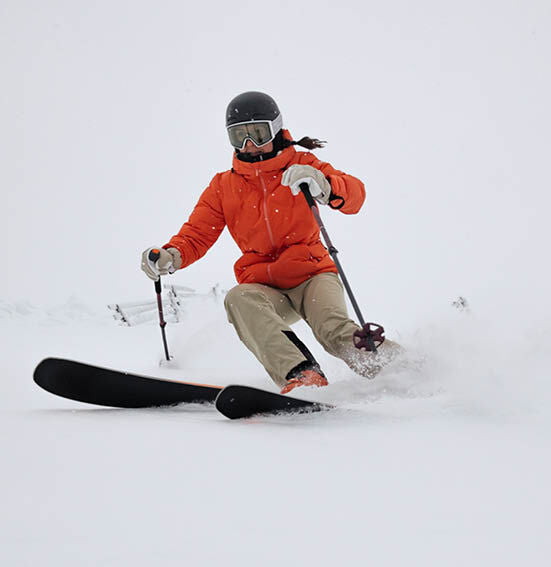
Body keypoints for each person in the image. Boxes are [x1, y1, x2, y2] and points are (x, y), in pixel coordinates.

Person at [141, 91, 400, 393]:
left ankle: (400, 367)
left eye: (257, 133)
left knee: (332, 329)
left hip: (313, 275)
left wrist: (324, 185)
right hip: (265, 286)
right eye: (239, 136)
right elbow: (197, 234)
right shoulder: (224, 186)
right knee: (239, 298)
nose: (249, 144)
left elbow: (356, 195)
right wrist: (172, 255)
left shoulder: (302, 165)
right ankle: (302, 374)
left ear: (275, 129)